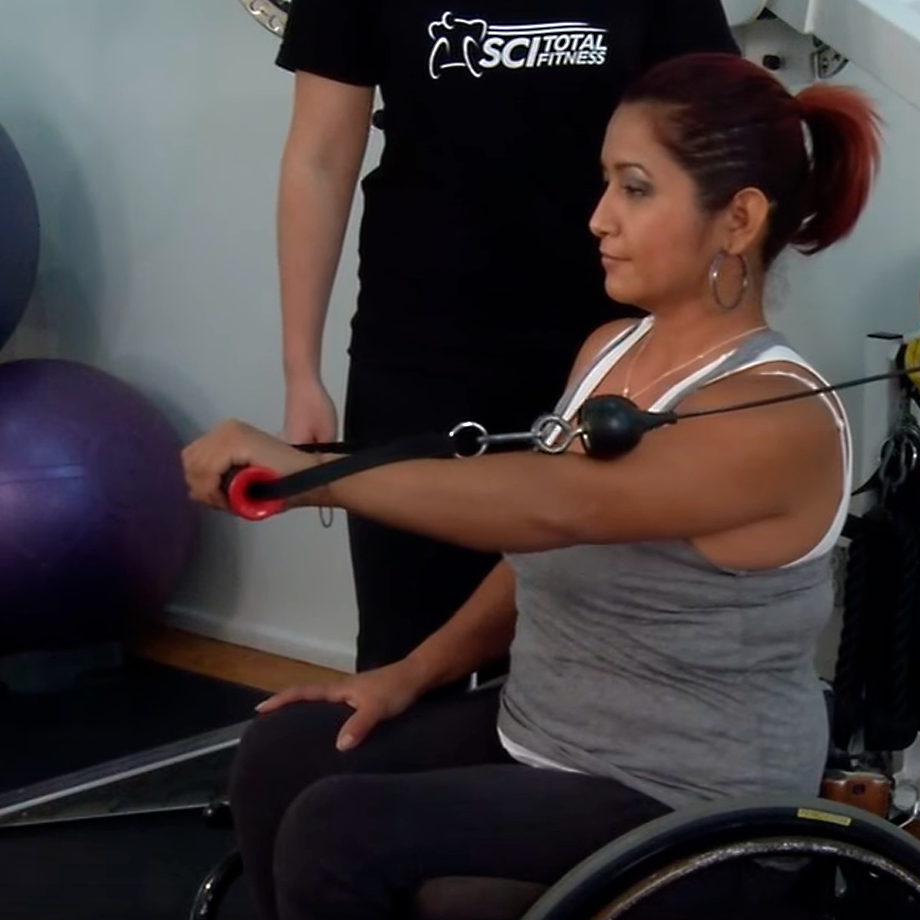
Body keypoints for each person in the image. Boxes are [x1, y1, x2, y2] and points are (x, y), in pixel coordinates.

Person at [184, 52, 882, 920]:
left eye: (634, 189)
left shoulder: (776, 416)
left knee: (342, 830)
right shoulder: (608, 352)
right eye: (604, 184)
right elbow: (543, 552)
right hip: (546, 732)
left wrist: (315, 477)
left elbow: (556, 505)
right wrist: (408, 674)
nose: (597, 219)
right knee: (289, 753)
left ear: (737, 219)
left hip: (692, 796)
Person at [272, 0, 740, 674]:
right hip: (418, 348)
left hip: (608, 356)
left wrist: (710, 350)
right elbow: (318, 159)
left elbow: (719, 144)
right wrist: (300, 370)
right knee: (406, 647)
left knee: (583, 641)